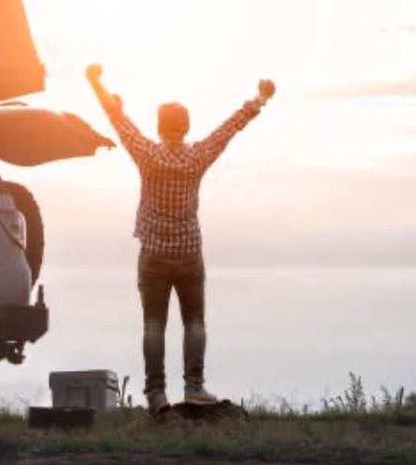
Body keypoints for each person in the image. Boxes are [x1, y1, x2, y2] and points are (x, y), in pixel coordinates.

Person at [85, 64, 275, 414]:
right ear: (186, 127)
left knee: (153, 325)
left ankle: (156, 395)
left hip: (154, 254)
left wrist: (96, 82)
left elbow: (116, 120)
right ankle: (194, 387)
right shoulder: (197, 156)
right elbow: (229, 129)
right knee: (195, 323)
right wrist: (260, 98)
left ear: (159, 127)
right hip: (189, 252)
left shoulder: (147, 154)